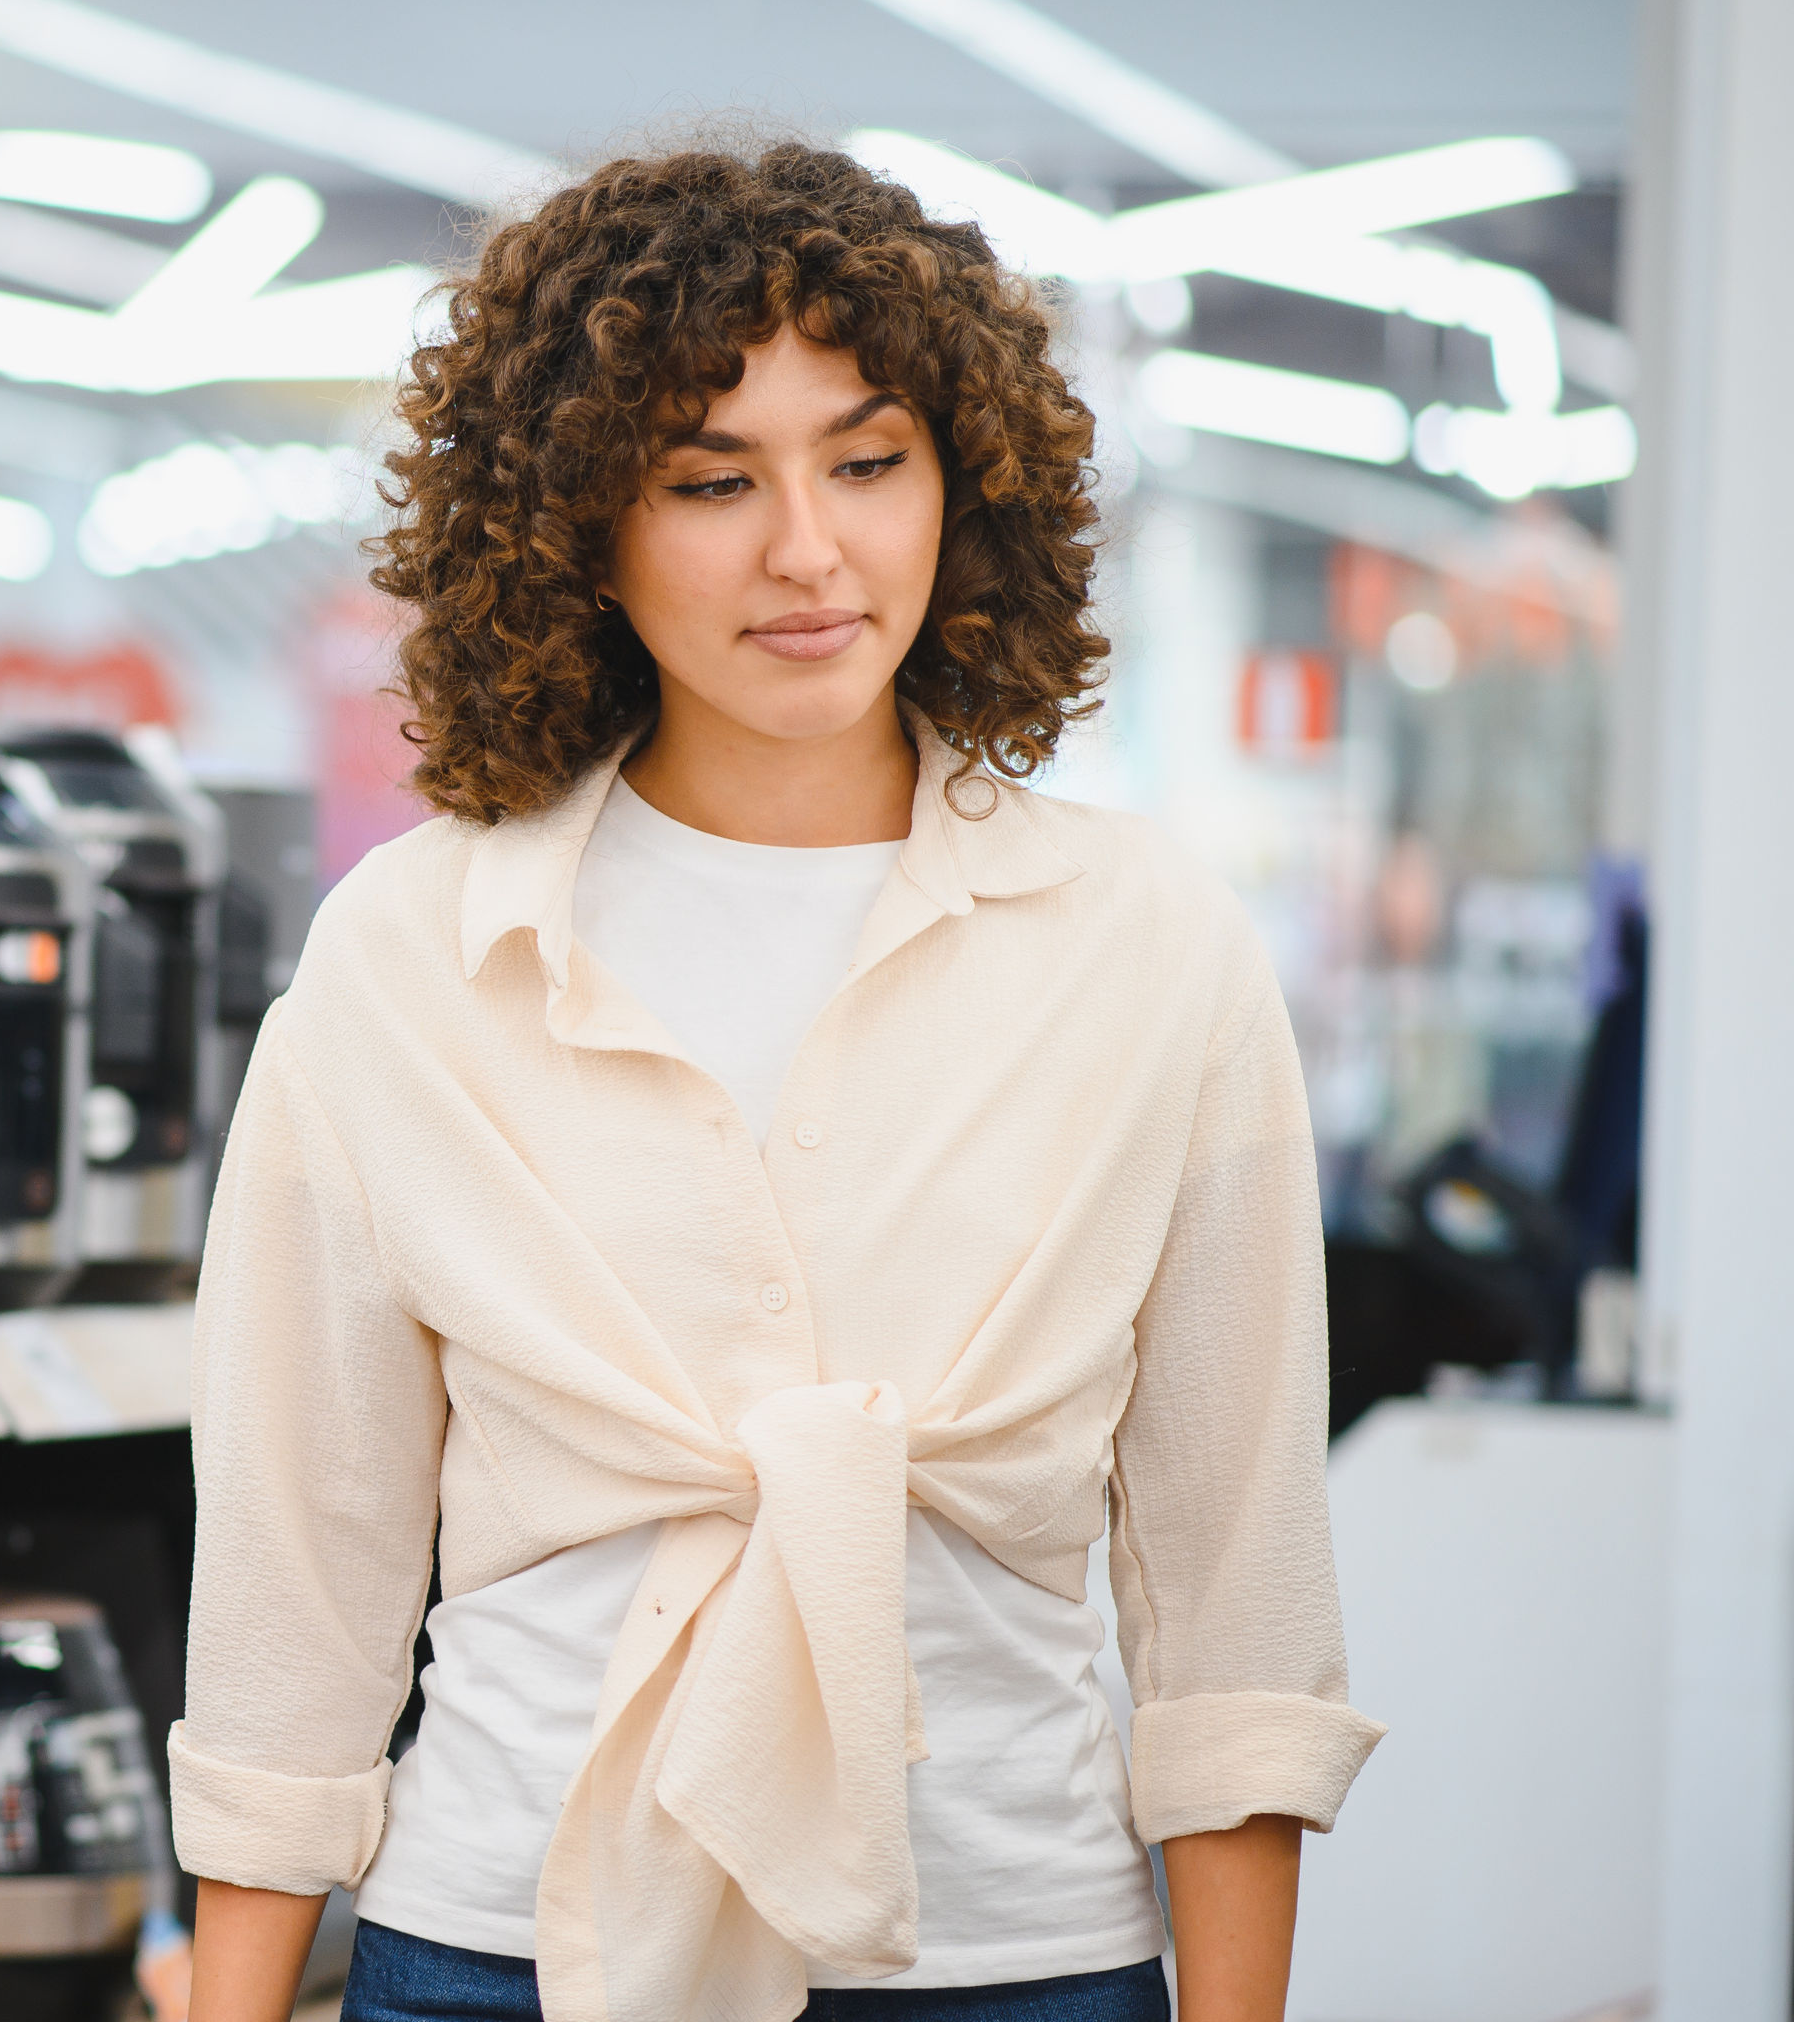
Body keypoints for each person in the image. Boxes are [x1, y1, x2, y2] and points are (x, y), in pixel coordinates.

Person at [172, 143, 1379, 2022]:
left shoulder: (1151, 947)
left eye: (869, 461)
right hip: (511, 1945)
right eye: (711, 480)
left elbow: (1236, 1588)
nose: (807, 549)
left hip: (1020, 1955)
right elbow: (292, 1568)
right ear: (575, 525)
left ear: (961, 488)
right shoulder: (412, 952)